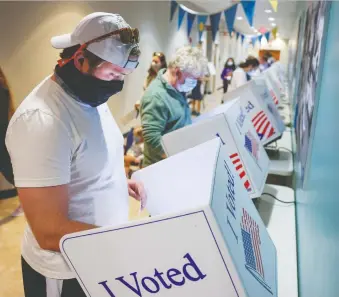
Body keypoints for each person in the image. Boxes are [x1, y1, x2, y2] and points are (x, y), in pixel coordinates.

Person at [5, 12, 146, 297]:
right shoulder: (43, 121)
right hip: (65, 271)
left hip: (98, 255)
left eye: (122, 75)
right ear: (80, 59)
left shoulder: (90, 96)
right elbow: (49, 231)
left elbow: (90, 155)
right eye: (112, 74)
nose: (117, 84)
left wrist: (118, 181)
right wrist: (124, 242)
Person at [140, 46, 208, 167]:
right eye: (192, 79)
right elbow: (152, 139)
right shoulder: (156, 96)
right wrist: (180, 157)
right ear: (177, 72)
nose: (194, 83)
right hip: (162, 167)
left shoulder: (176, 88)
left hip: (177, 159)